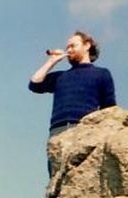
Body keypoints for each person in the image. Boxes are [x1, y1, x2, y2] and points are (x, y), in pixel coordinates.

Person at [29, 30, 116, 173]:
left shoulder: (102, 74)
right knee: (57, 178)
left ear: (87, 45)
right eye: (67, 47)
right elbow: (34, 84)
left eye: (72, 46)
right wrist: (52, 61)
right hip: (57, 131)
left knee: (83, 174)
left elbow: (110, 108)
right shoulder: (61, 76)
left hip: (85, 129)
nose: (69, 50)